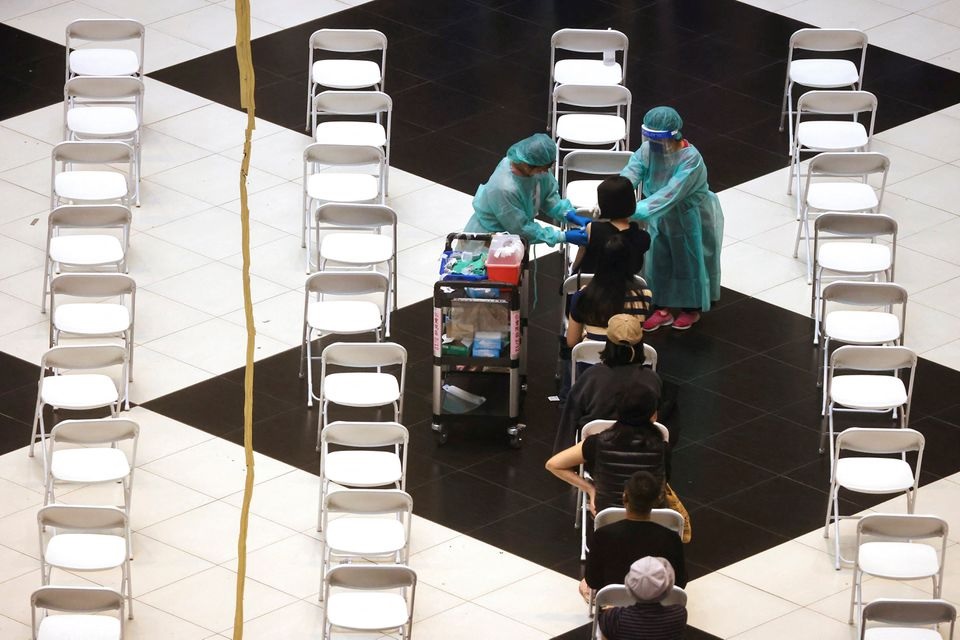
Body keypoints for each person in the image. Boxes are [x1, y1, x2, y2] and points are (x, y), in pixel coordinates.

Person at [620, 106, 724, 332]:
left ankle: (691, 307)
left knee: (689, 260)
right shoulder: (648, 151)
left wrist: (631, 211)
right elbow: (632, 172)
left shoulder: (691, 160)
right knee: (660, 259)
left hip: (689, 217)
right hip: (659, 216)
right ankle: (662, 307)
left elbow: (671, 193)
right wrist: (617, 193)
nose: (655, 145)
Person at [554, 314, 661, 453]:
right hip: (641, 455)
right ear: (641, 344)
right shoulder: (652, 379)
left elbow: (569, 419)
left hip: (595, 456)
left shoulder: (591, 377)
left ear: (608, 343)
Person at [465, 133, 588, 247]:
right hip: (488, 240)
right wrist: (561, 236)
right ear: (526, 164)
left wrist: (568, 213)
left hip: (512, 240)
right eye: (542, 169)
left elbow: (548, 196)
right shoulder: (504, 187)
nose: (545, 172)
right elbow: (521, 228)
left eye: (547, 168)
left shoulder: (538, 168)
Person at [584, 471, 687, 600]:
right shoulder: (671, 538)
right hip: (658, 606)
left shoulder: (602, 535)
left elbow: (593, 581)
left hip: (614, 605)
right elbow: (680, 582)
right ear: (656, 500)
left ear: (624, 497)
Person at [571, 176, 650, 275]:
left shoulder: (592, 229)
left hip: (590, 287)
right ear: (632, 203)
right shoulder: (642, 238)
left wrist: (572, 271)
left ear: (602, 205)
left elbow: (579, 260)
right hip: (626, 289)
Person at [598, 556, 687, 640]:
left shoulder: (613, 619)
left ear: (629, 587)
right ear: (667, 588)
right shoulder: (679, 614)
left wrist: (614, 612)